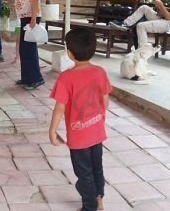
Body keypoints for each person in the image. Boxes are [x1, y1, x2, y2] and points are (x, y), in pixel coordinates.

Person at [48, 28, 111, 211]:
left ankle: (89, 206)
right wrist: (97, 117)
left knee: (84, 173)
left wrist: (52, 131)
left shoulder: (66, 77)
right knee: (96, 167)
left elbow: (60, 107)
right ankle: (99, 199)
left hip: (79, 137)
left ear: (69, 53)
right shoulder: (100, 72)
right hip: (97, 132)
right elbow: (105, 100)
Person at [5, 0, 45, 90]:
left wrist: (33, 19)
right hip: (25, 17)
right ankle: (27, 77)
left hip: (30, 17)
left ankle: (36, 79)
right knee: (24, 49)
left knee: (29, 49)